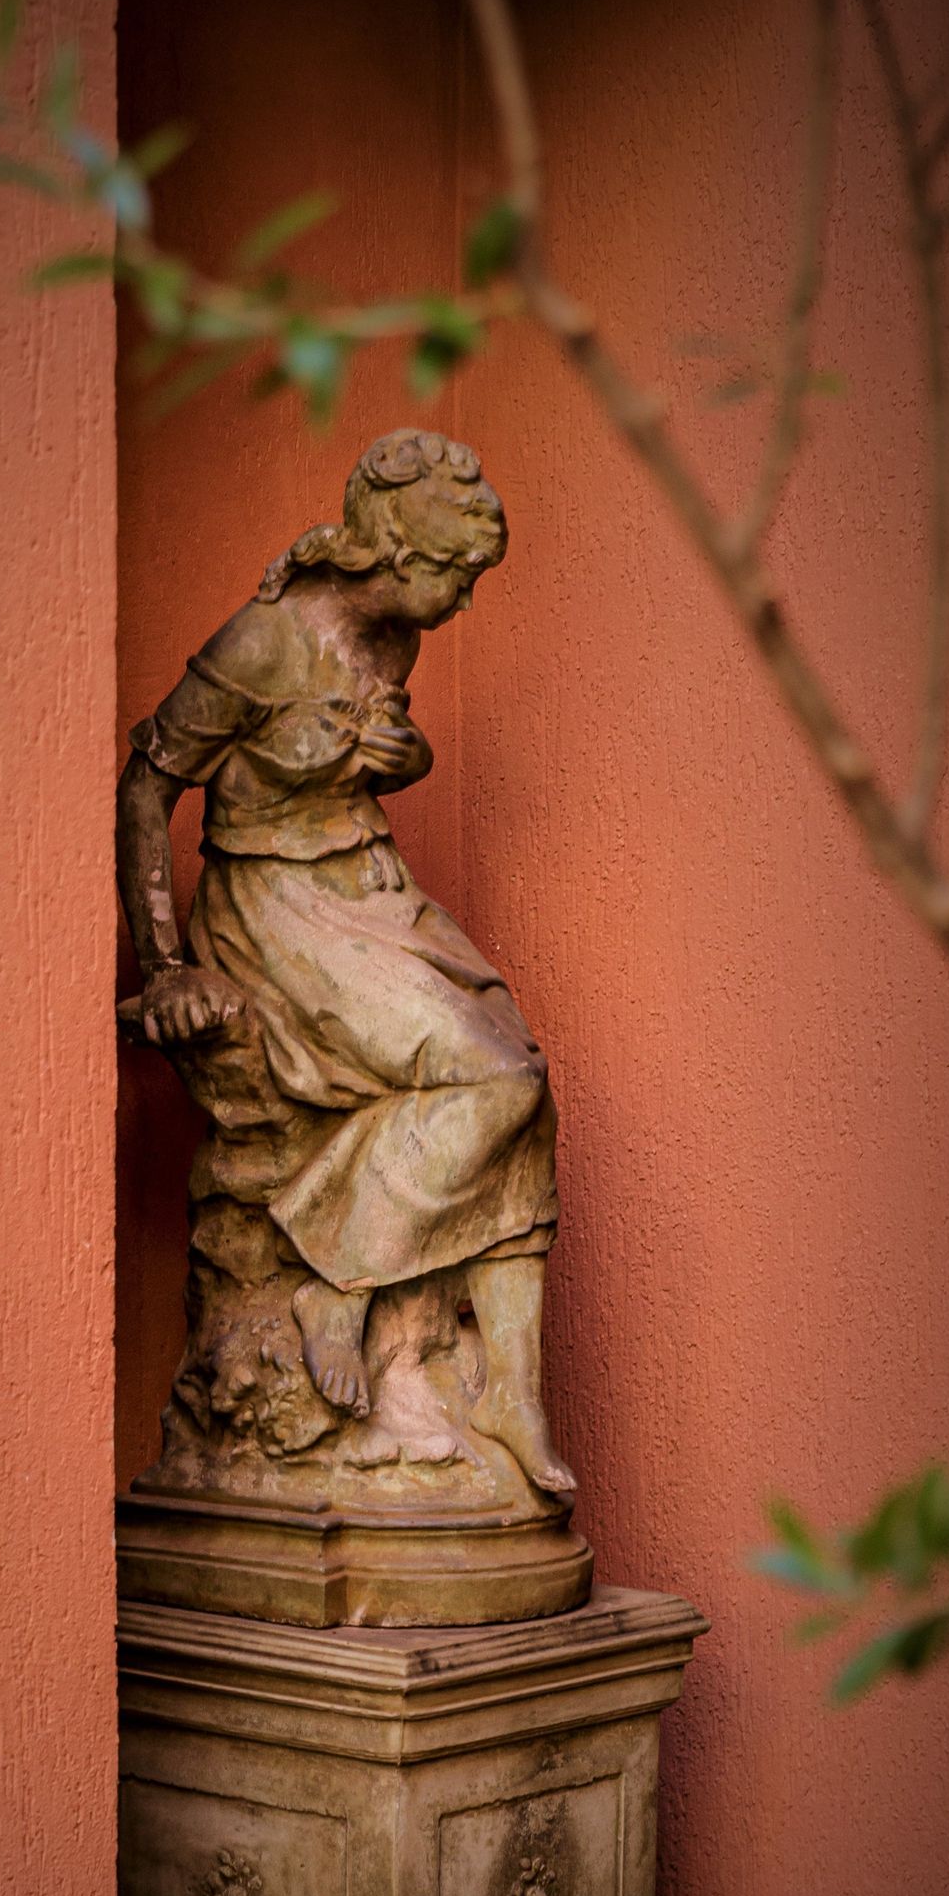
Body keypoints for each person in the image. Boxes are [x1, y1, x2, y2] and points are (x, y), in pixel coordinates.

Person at [115, 428, 573, 1500]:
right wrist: (166, 964)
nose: (461, 601)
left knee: (525, 1085)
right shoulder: (265, 642)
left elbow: (353, 760)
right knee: (491, 1079)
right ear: (395, 553)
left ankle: (510, 1386)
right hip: (272, 907)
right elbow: (150, 778)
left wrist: (398, 762)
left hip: (366, 884)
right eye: (452, 574)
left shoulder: (394, 639)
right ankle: (335, 1276)